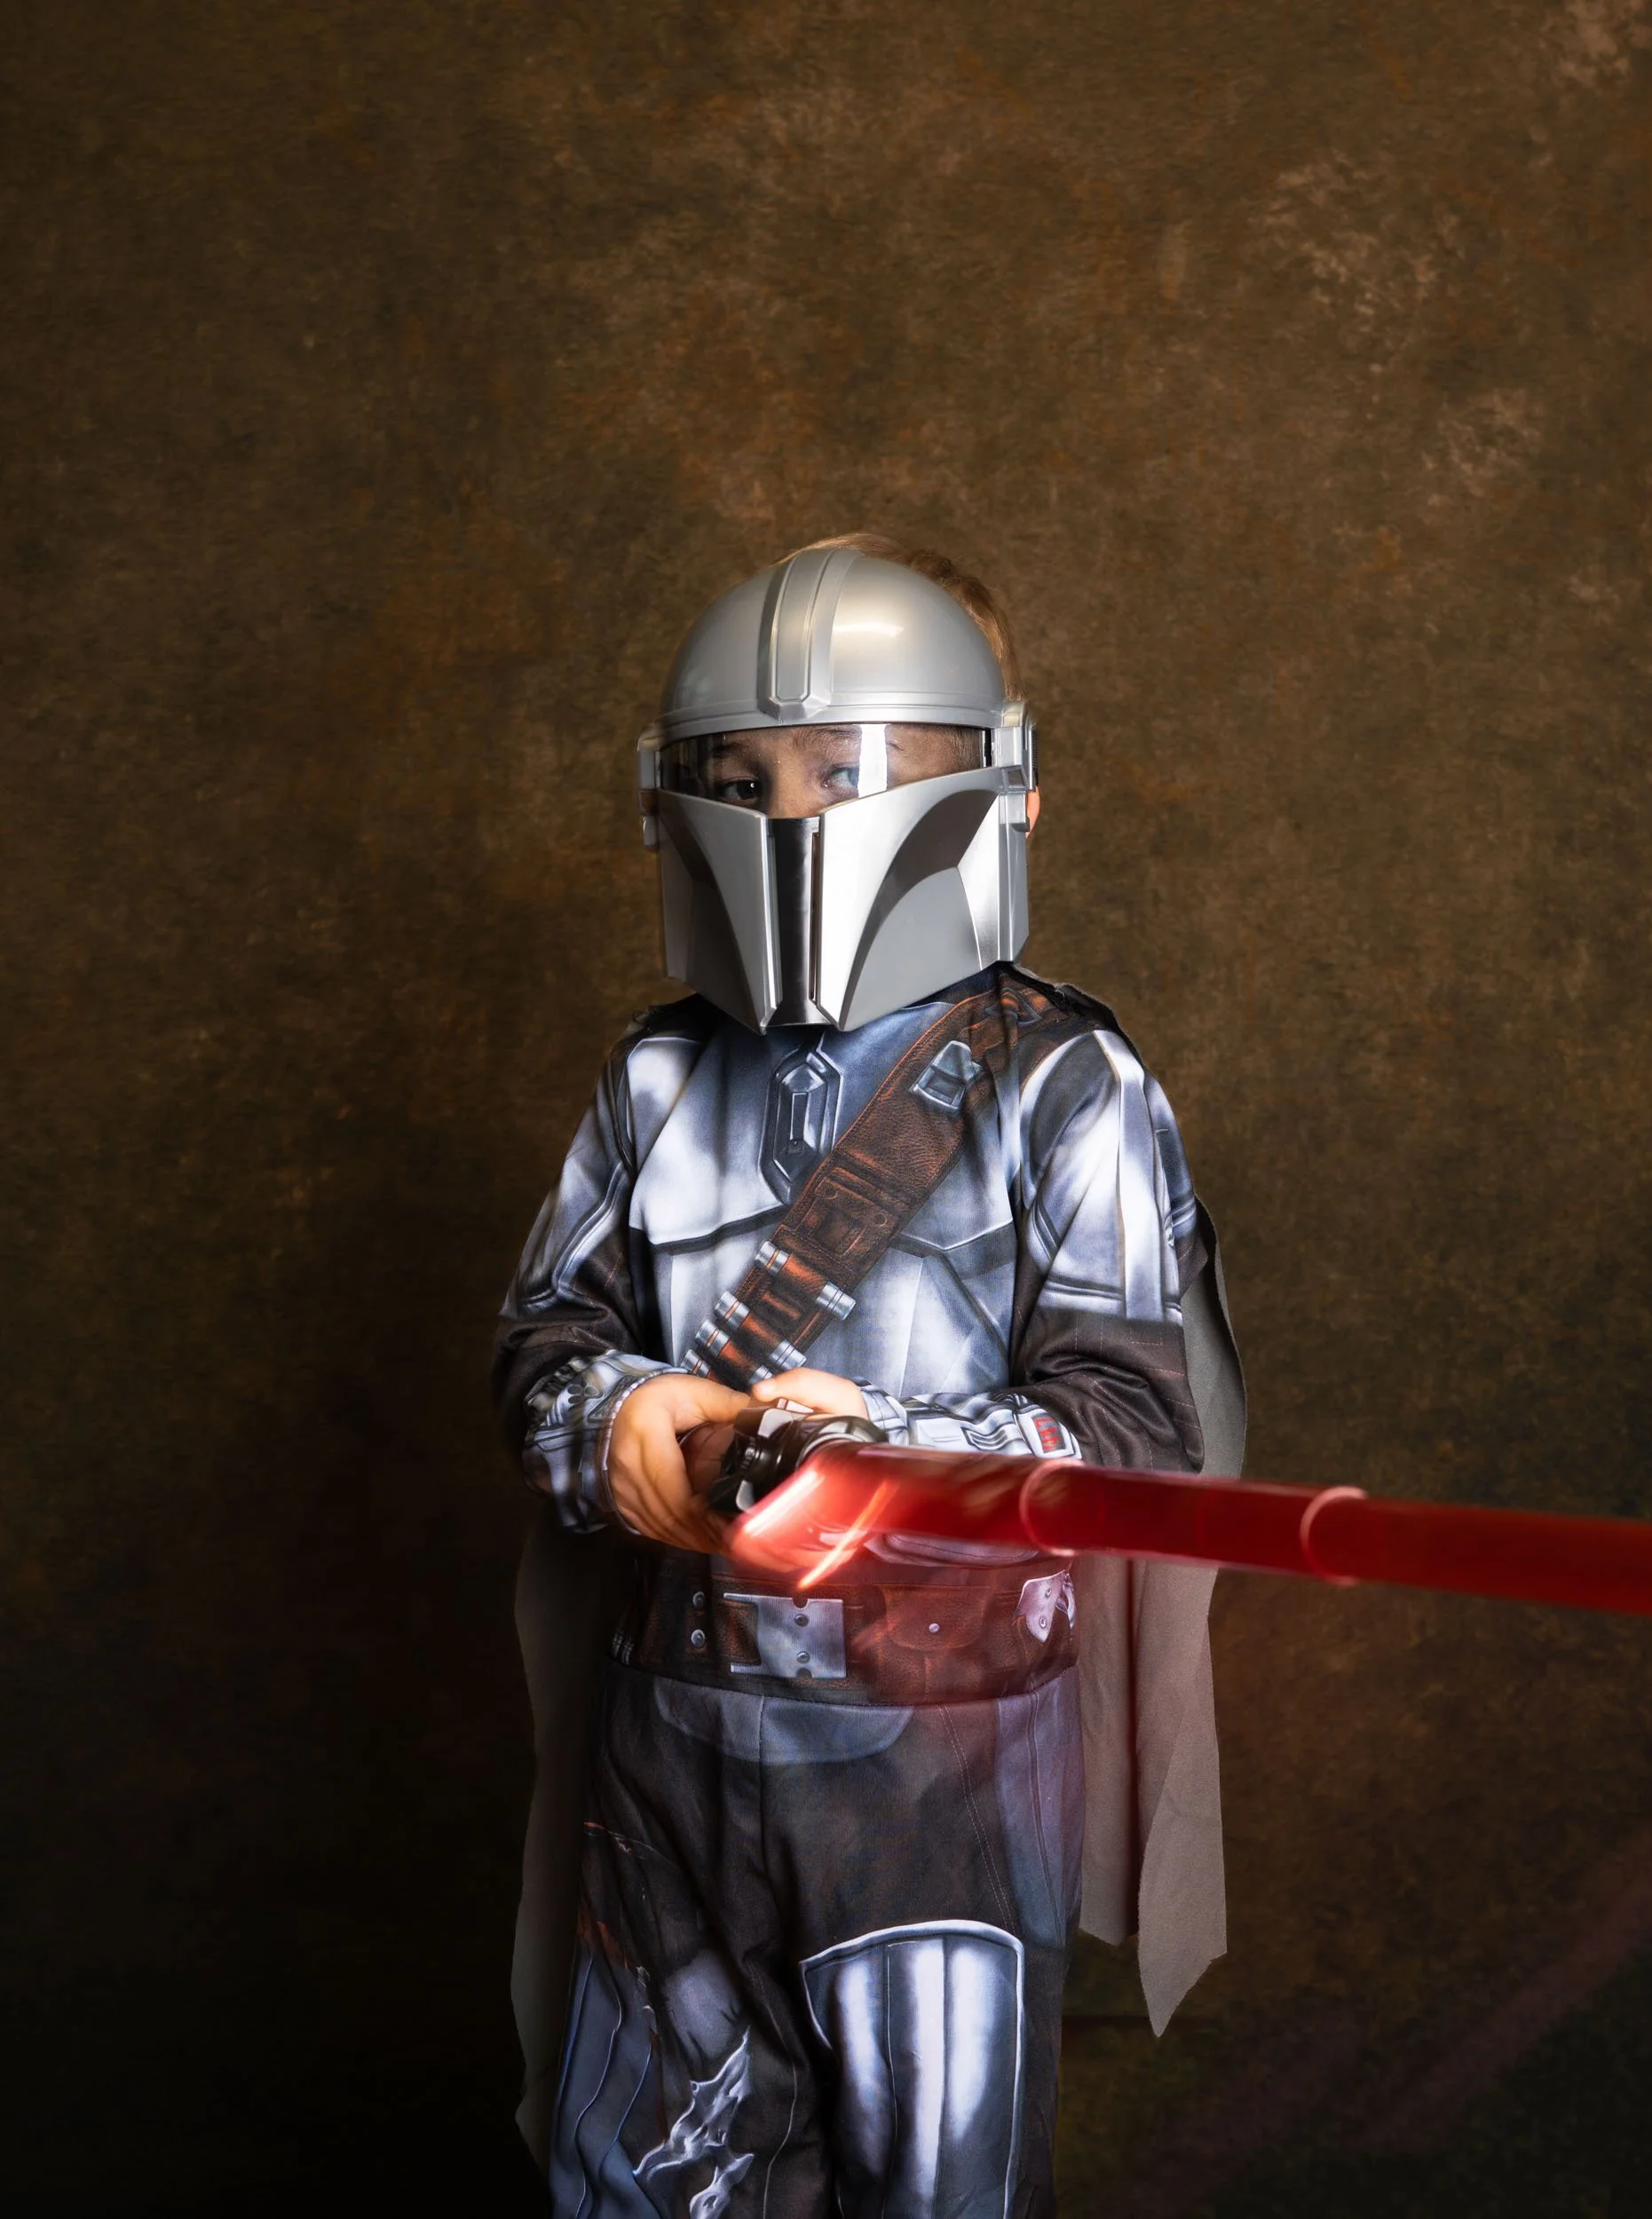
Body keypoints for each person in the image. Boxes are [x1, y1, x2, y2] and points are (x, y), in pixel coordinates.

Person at [494, 534, 1244, 2218]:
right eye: (741, 777)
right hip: (671, 1754)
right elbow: (543, 1337)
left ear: (1004, 786)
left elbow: (1134, 1429)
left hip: (939, 1782)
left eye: (850, 769)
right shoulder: (658, 1076)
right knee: (635, 2187)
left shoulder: (1070, 1089)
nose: (795, 819)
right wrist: (609, 1420)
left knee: (937, 2189)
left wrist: (892, 1447)